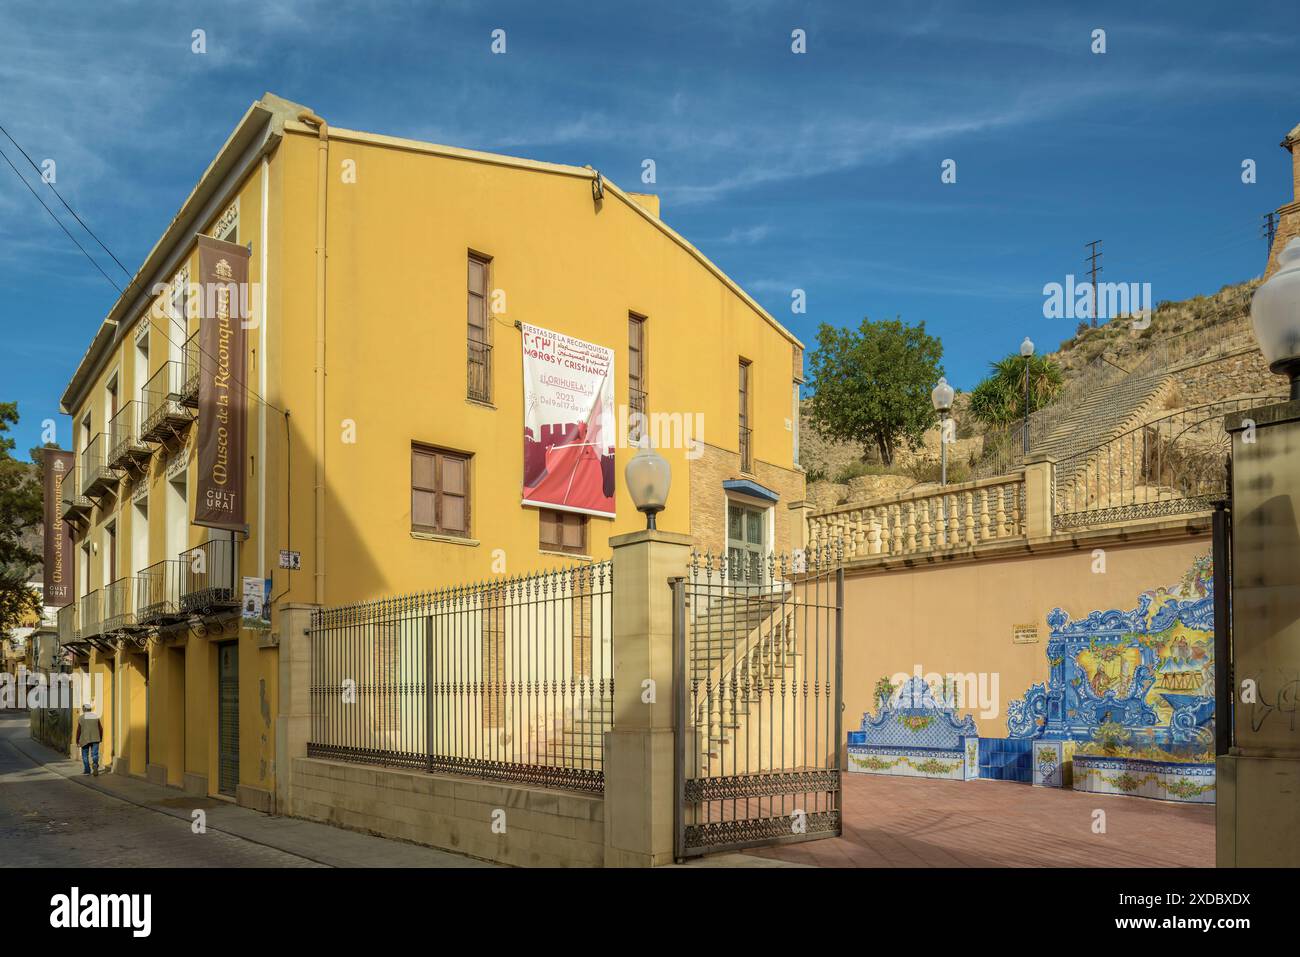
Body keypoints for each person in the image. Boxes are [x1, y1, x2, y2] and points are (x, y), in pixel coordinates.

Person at [75, 703, 102, 776]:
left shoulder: (81, 718)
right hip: (95, 738)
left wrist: (77, 740)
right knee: (95, 754)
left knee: (84, 755)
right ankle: (95, 764)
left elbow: (79, 730)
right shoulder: (96, 717)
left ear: (84, 710)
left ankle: (87, 770)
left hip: (85, 739)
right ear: (90, 709)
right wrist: (100, 738)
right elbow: (100, 728)